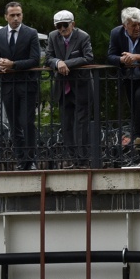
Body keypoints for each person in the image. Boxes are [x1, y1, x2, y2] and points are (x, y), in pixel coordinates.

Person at [107, 6, 140, 164]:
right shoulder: (116, 33)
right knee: (137, 110)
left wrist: (137, 57)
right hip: (129, 79)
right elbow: (110, 56)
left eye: (139, 24)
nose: (138, 28)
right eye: (133, 25)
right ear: (125, 25)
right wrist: (121, 60)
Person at [0, 0, 42, 170]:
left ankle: (31, 160)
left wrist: (13, 64)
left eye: (18, 15)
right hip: (8, 85)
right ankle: (21, 160)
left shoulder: (31, 33)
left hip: (27, 84)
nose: (15, 18)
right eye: (12, 15)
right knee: (14, 125)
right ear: (6, 17)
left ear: (22, 15)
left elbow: (35, 59)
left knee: (27, 123)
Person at [45, 9, 95, 167]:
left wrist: (67, 64)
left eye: (64, 25)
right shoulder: (53, 36)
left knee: (81, 124)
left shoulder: (83, 36)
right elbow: (48, 57)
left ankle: (82, 159)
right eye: (58, 26)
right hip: (63, 88)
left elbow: (88, 57)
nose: (61, 29)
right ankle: (72, 158)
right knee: (66, 124)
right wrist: (57, 63)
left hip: (81, 87)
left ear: (73, 24)